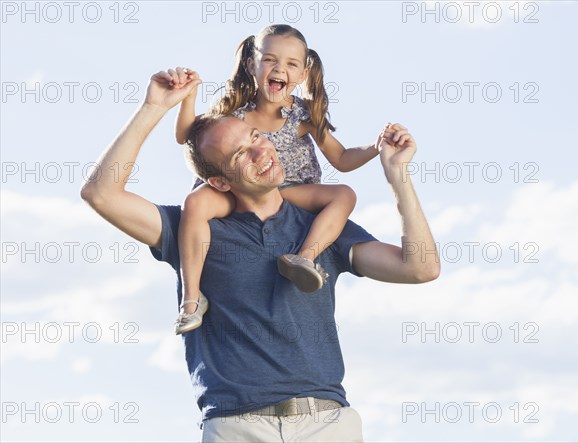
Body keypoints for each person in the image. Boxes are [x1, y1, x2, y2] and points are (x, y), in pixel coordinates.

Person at [80, 69, 440, 442]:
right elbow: (100, 194)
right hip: (238, 425)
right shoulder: (193, 229)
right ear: (219, 182)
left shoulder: (321, 226)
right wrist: (153, 107)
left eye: (255, 137)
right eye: (240, 154)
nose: (261, 151)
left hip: (326, 422)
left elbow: (421, 268)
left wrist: (399, 176)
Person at [172, 24, 381, 335]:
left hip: (292, 191)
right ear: (251, 66)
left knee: (344, 195)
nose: (279, 68)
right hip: (243, 189)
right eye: (269, 59)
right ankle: (191, 299)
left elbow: (342, 159)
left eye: (291, 64)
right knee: (195, 201)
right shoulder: (232, 111)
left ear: (301, 75)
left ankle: (304, 259)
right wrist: (188, 96)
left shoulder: (304, 114)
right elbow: (186, 136)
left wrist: (377, 147)